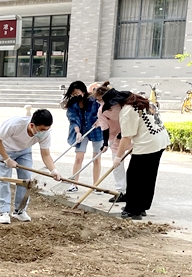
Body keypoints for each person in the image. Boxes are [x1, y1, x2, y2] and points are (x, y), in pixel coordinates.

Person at [104, 89, 170, 220]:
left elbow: (126, 137)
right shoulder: (144, 102)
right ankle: (142, 207)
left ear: (117, 103)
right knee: (148, 176)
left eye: (111, 108)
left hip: (148, 145)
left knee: (134, 177)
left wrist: (118, 157)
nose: (112, 111)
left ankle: (132, 210)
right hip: (160, 141)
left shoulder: (128, 110)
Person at [0, 109, 63, 224]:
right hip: (4, 148)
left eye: (47, 129)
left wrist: (53, 170)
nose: (44, 132)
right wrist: (6, 158)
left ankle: (19, 211)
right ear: (32, 125)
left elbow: (46, 154)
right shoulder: (14, 124)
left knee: (26, 180)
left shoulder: (45, 134)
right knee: (3, 179)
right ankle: (4, 211)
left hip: (24, 151)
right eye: (42, 129)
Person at [61, 81, 103, 192]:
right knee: (79, 158)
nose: (75, 95)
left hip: (96, 129)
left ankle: (96, 186)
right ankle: (74, 184)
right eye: (73, 94)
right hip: (82, 130)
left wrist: (100, 120)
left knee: (96, 159)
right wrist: (78, 132)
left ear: (83, 91)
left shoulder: (94, 100)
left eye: (77, 93)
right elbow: (73, 119)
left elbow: (103, 110)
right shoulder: (72, 104)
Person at [92, 82, 127, 202]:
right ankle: (121, 192)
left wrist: (124, 133)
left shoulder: (121, 105)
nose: (99, 103)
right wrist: (105, 143)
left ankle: (133, 192)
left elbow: (129, 120)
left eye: (100, 100)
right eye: (97, 101)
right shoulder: (101, 111)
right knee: (117, 165)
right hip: (115, 139)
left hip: (130, 136)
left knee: (135, 166)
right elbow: (104, 127)